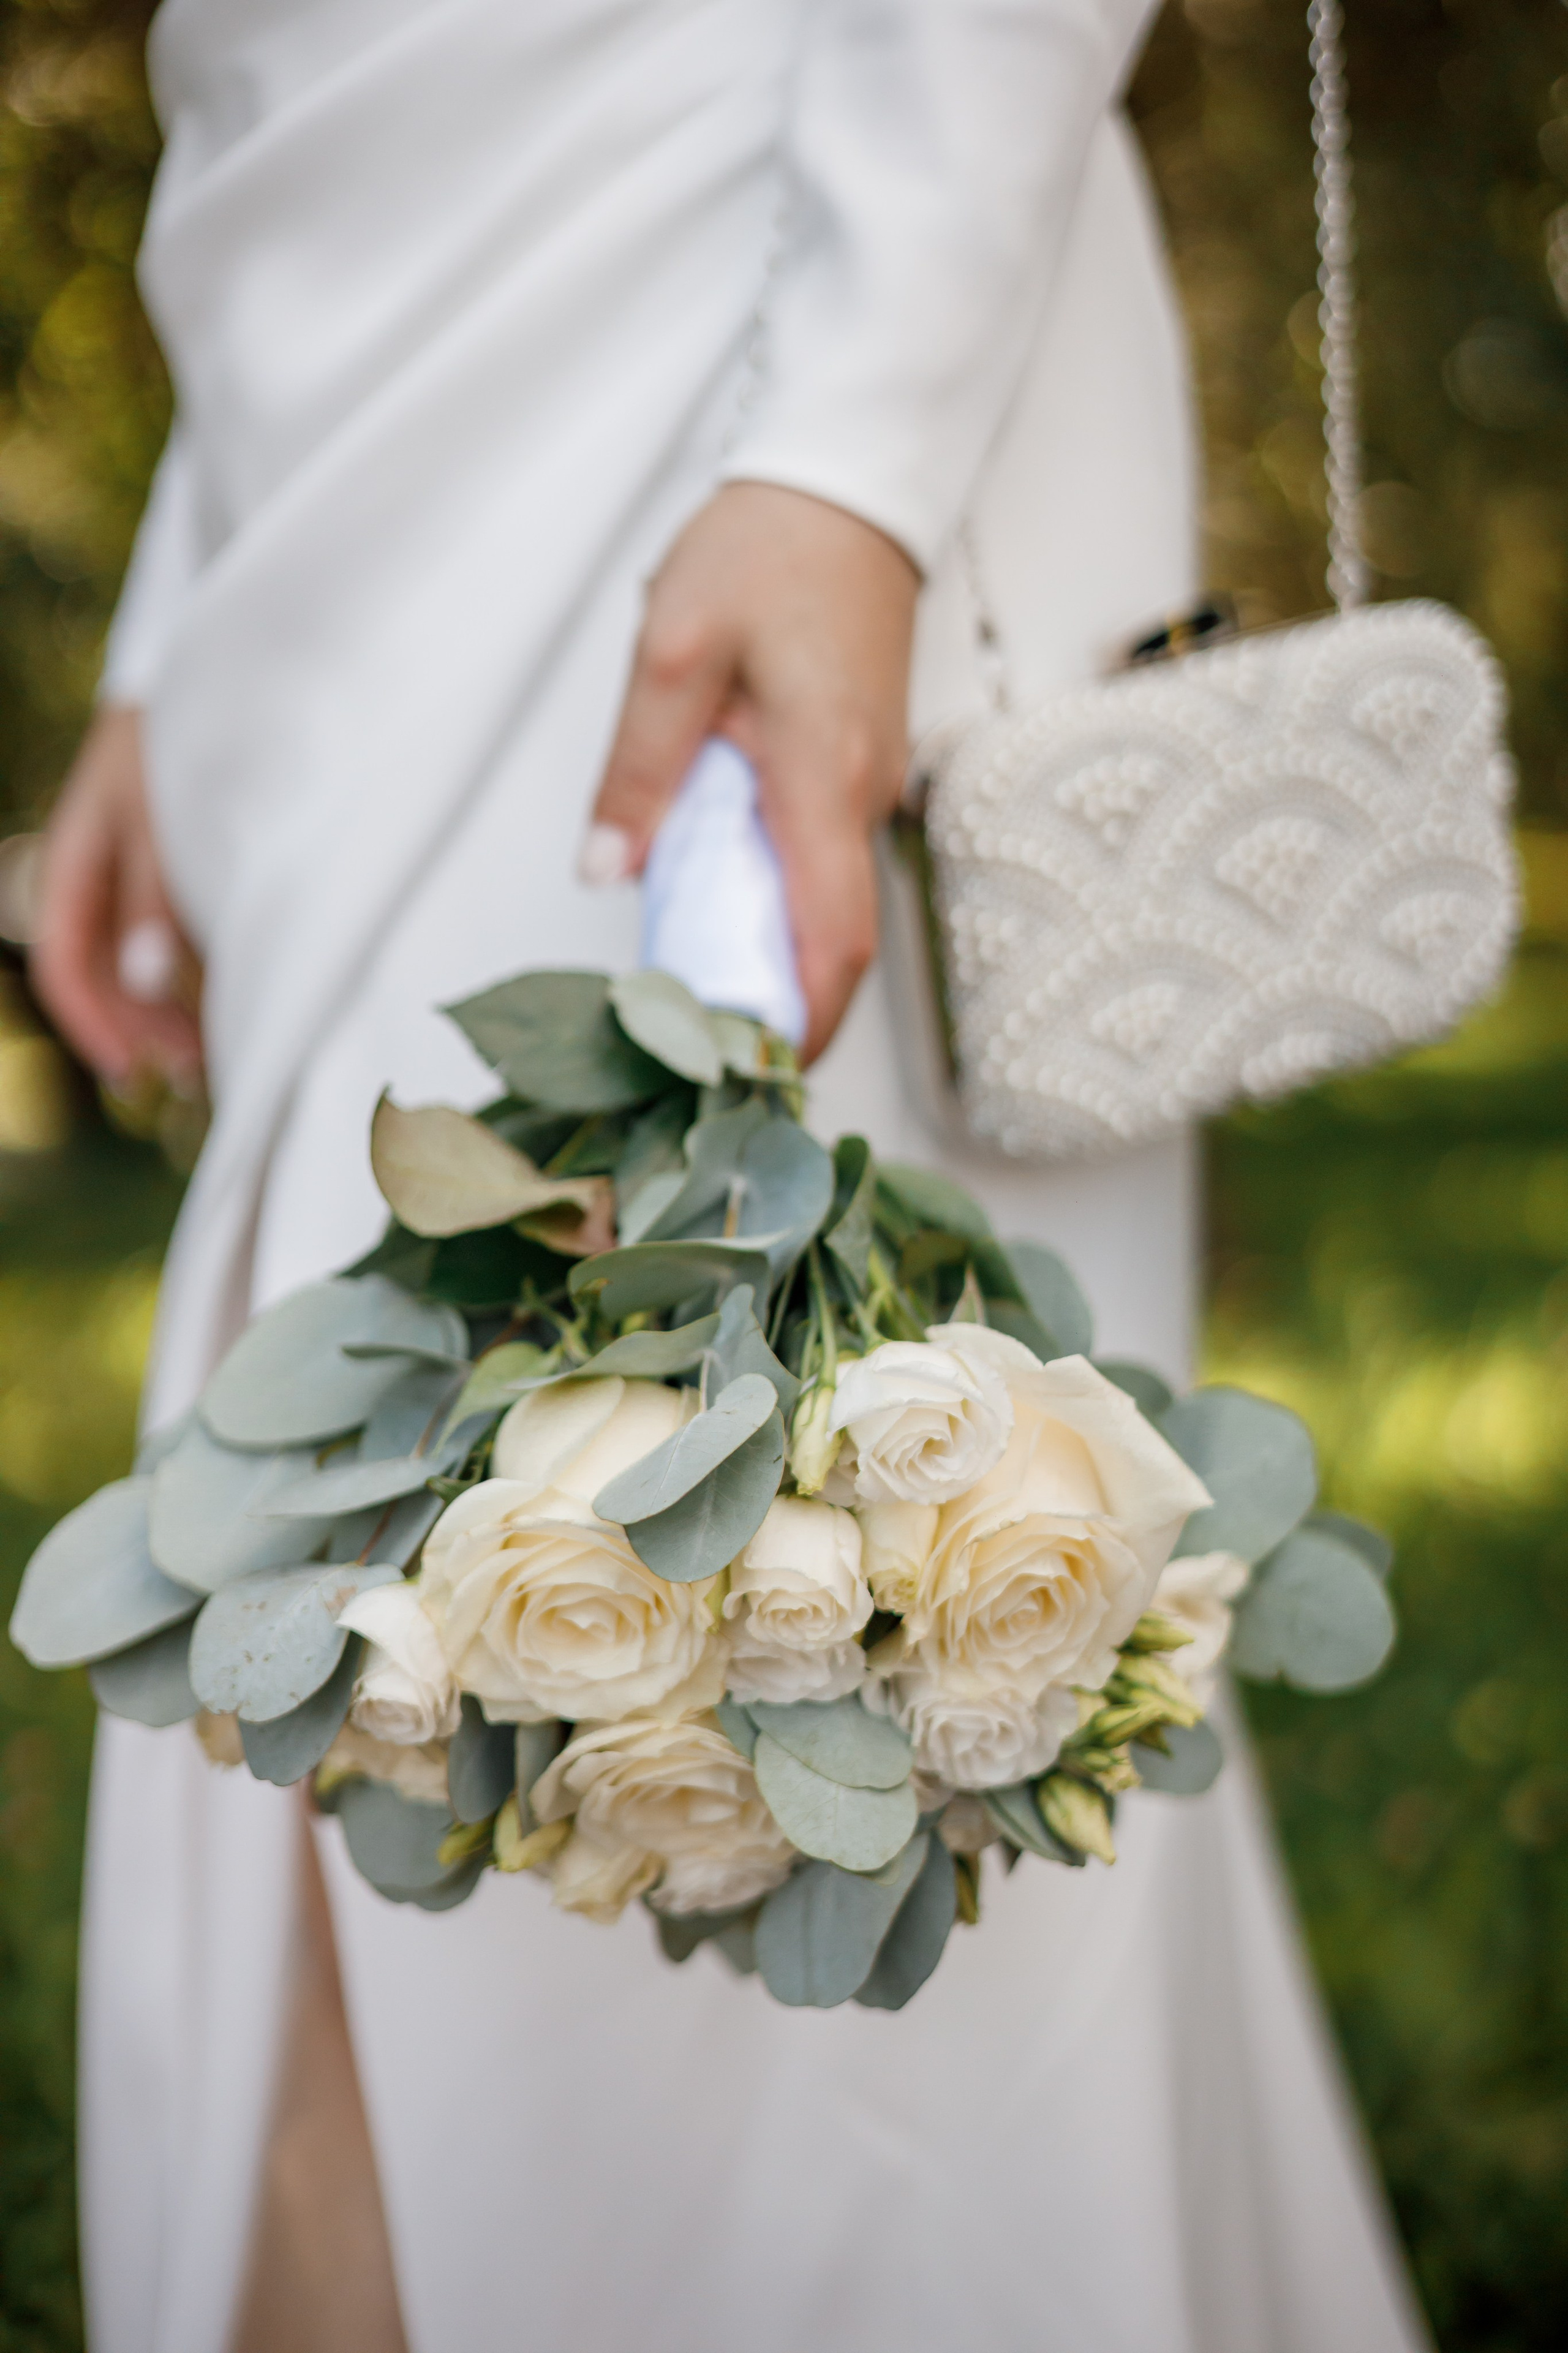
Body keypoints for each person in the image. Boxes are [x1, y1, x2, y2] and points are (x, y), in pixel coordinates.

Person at [30, 4, 1432, 2349]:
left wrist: (856, 452)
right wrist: (184, 622)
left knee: (871, 1539)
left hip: (784, 264)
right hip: (341, 379)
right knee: (350, 1515)